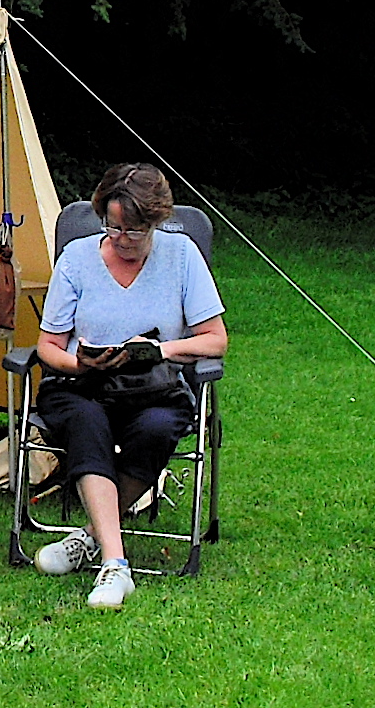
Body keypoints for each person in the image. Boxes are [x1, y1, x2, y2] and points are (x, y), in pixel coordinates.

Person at [31, 163, 228, 609]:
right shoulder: (78, 259)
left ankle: (88, 540)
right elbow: (48, 345)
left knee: (159, 427)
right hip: (81, 384)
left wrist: (162, 350)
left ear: (156, 222)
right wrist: (80, 363)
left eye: (134, 231)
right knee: (86, 421)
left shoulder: (180, 255)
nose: (122, 239)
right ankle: (116, 566)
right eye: (113, 227)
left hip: (152, 385)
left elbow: (216, 340)